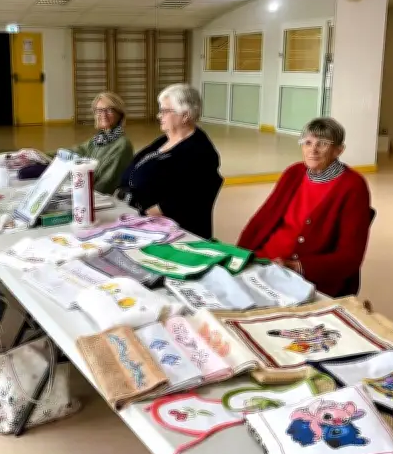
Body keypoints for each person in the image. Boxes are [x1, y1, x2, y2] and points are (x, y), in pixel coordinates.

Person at [237, 117, 372, 297]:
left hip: (299, 277)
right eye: (308, 142)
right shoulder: (294, 173)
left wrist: (296, 266)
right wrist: (238, 256)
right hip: (263, 263)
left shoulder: (353, 186)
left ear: (339, 150)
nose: (313, 150)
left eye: (322, 144)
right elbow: (261, 220)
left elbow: (349, 257)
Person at [117, 83, 222, 239]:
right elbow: (136, 166)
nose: (159, 116)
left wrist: (141, 219)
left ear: (185, 115)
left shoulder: (201, 152)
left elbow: (184, 200)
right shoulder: (165, 140)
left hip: (168, 231)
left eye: (165, 111)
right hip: (136, 216)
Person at [43, 92, 134, 195]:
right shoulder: (98, 140)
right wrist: (41, 155)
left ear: (119, 114)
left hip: (104, 199)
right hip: (89, 193)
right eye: (99, 110)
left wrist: (82, 197)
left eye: (109, 110)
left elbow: (106, 184)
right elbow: (75, 151)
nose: (103, 114)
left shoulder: (122, 145)